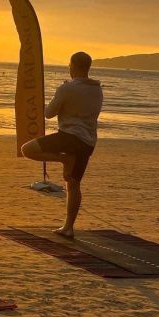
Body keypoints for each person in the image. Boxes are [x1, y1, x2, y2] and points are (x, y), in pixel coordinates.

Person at [21, 51, 103, 238]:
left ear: (73, 66)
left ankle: (63, 160)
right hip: (87, 141)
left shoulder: (67, 88)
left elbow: (49, 113)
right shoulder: (97, 89)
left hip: (69, 136)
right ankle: (68, 227)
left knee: (27, 149)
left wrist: (43, 103)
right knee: (73, 184)